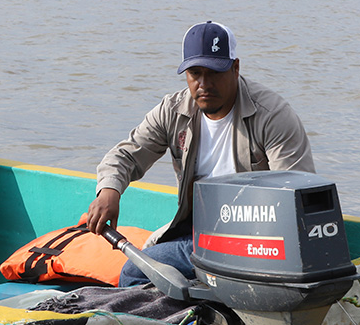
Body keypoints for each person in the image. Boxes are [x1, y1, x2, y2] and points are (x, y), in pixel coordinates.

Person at [85, 21, 315, 286]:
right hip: (198, 235)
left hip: (258, 241)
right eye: (195, 73)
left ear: (235, 68)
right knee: (143, 267)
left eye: (215, 72)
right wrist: (109, 192)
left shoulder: (272, 115)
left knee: (134, 274)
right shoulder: (171, 111)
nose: (204, 84)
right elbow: (125, 156)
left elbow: (299, 193)